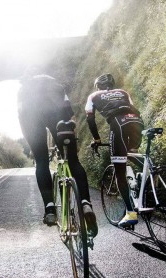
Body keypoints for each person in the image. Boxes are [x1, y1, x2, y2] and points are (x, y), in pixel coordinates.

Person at [18, 66, 98, 237]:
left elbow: (22, 116)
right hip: (59, 115)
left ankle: (50, 209)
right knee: (73, 161)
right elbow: (69, 111)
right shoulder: (55, 84)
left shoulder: (24, 89)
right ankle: (85, 203)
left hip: (31, 118)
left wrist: (32, 145)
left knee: (41, 162)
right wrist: (72, 141)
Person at [85, 73, 144, 227]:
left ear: (98, 86)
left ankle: (131, 214)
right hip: (137, 121)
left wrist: (97, 139)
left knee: (120, 171)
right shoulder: (123, 92)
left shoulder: (93, 95)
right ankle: (150, 176)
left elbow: (90, 118)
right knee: (132, 152)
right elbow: (134, 109)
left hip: (118, 124)